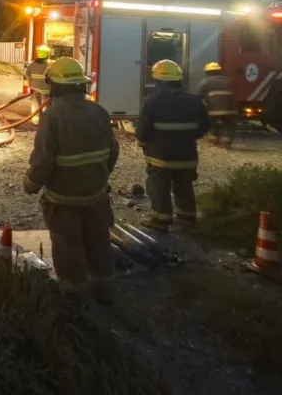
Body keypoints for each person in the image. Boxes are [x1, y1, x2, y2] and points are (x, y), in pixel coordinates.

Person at [24, 57, 120, 302]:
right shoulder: (99, 112)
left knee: (69, 244)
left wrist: (32, 184)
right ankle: (106, 288)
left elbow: (43, 159)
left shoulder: (52, 117)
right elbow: (113, 151)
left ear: (55, 85)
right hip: (97, 195)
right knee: (99, 241)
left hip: (63, 198)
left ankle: (74, 295)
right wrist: (99, 175)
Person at [136, 60, 211, 232]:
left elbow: (143, 129)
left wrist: (143, 142)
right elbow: (205, 126)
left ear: (159, 81)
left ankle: (161, 220)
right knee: (184, 185)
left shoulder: (153, 100)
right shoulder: (194, 101)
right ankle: (187, 218)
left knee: (158, 186)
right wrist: (188, 137)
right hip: (187, 156)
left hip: (161, 157)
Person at [197, 62, 237, 147]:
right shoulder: (228, 80)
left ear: (207, 72)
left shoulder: (205, 81)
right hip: (231, 110)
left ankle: (213, 137)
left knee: (211, 125)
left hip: (213, 111)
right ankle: (226, 140)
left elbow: (199, 96)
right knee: (228, 125)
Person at [26, 45, 51, 125]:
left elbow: (27, 75)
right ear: (47, 54)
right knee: (45, 106)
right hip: (46, 89)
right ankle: (45, 122)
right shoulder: (49, 65)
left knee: (35, 105)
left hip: (35, 88)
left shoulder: (32, 64)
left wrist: (30, 84)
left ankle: (36, 121)